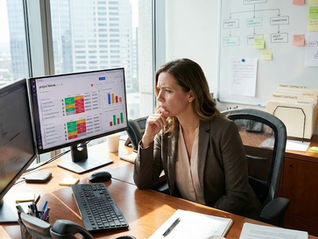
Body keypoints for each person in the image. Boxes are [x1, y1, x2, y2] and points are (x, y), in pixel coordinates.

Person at [133, 58, 261, 219]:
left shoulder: (224, 130)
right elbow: (143, 183)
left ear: (191, 95)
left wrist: (202, 218)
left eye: (168, 91)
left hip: (229, 219)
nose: (159, 98)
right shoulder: (166, 131)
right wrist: (147, 137)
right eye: (158, 90)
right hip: (189, 219)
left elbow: (237, 195)